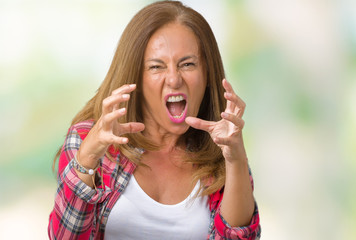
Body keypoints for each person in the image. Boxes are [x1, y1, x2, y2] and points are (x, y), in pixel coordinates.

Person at [48, 1, 261, 239]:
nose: (173, 79)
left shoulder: (224, 150)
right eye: (156, 67)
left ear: (208, 73)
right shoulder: (88, 139)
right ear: (135, 78)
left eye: (188, 64)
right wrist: (87, 157)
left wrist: (236, 160)